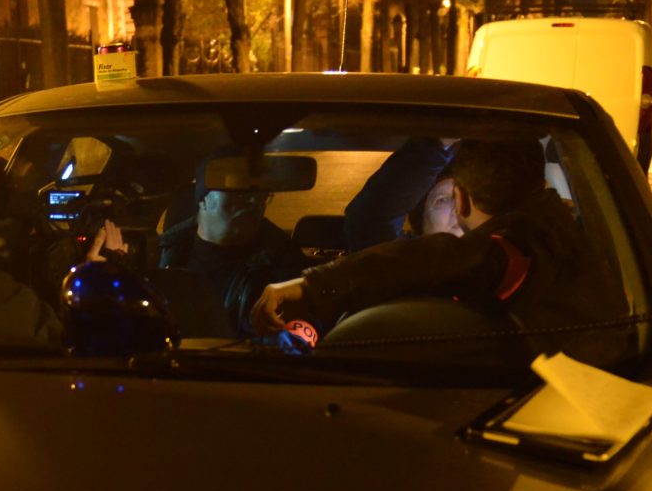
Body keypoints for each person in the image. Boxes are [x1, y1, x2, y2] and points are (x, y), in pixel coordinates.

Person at [248, 138, 612, 340]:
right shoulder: (570, 243)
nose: (453, 215)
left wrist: (313, 286)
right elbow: (375, 220)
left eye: (453, 199)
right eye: (440, 202)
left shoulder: (513, 255)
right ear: (416, 224)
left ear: (463, 200)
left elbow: (450, 257)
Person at [154, 161, 306, 338]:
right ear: (204, 199)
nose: (253, 201)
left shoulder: (282, 258)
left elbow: (307, 327)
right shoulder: (162, 253)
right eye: (238, 192)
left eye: (261, 194)